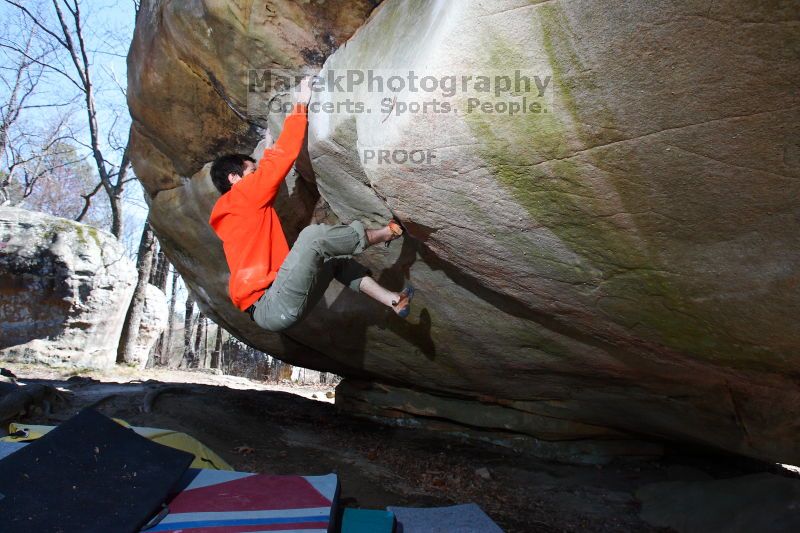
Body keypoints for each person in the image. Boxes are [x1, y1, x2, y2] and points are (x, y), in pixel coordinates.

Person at [208, 76, 413, 332]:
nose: (257, 173)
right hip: (273, 302)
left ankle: (394, 300)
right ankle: (382, 233)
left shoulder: (235, 211)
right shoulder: (238, 198)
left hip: (277, 306)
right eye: (252, 170)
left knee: (332, 260)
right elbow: (282, 160)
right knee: (312, 238)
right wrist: (300, 104)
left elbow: (268, 172)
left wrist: (267, 152)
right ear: (233, 178)